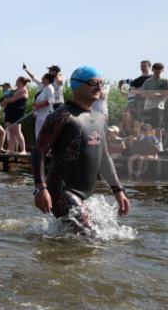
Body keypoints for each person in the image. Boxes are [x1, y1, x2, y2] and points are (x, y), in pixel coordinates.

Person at [32, 66, 129, 229]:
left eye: (101, 83)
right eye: (93, 83)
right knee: (90, 236)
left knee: (98, 236)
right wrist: (40, 189)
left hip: (84, 194)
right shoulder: (61, 116)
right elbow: (38, 151)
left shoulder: (100, 118)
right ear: (76, 85)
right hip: (61, 191)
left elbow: (104, 157)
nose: (99, 87)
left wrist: (118, 190)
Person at [139, 62, 167, 142]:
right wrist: (149, 94)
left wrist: (157, 94)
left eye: (159, 70)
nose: (158, 72)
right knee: (146, 126)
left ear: (162, 70)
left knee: (157, 127)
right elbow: (142, 94)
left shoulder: (165, 81)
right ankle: (147, 144)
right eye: (156, 70)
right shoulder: (147, 81)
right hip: (148, 107)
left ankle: (158, 144)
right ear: (153, 70)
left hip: (158, 107)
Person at [0, 77, 29, 154]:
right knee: (10, 131)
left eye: (17, 81)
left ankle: (23, 150)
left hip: (17, 113)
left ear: (21, 82)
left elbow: (12, 99)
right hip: (10, 112)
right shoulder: (16, 90)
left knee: (17, 131)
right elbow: (7, 95)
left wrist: (5, 100)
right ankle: (11, 150)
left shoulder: (23, 90)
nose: (15, 82)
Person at [33, 72, 56, 141]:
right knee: (38, 132)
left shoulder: (49, 88)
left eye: (43, 77)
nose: (41, 78)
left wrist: (39, 105)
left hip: (45, 115)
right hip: (40, 114)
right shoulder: (43, 87)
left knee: (43, 133)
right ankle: (39, 149)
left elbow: (51, 100)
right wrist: (35, 109)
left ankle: (43, 150)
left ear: (47, 79)